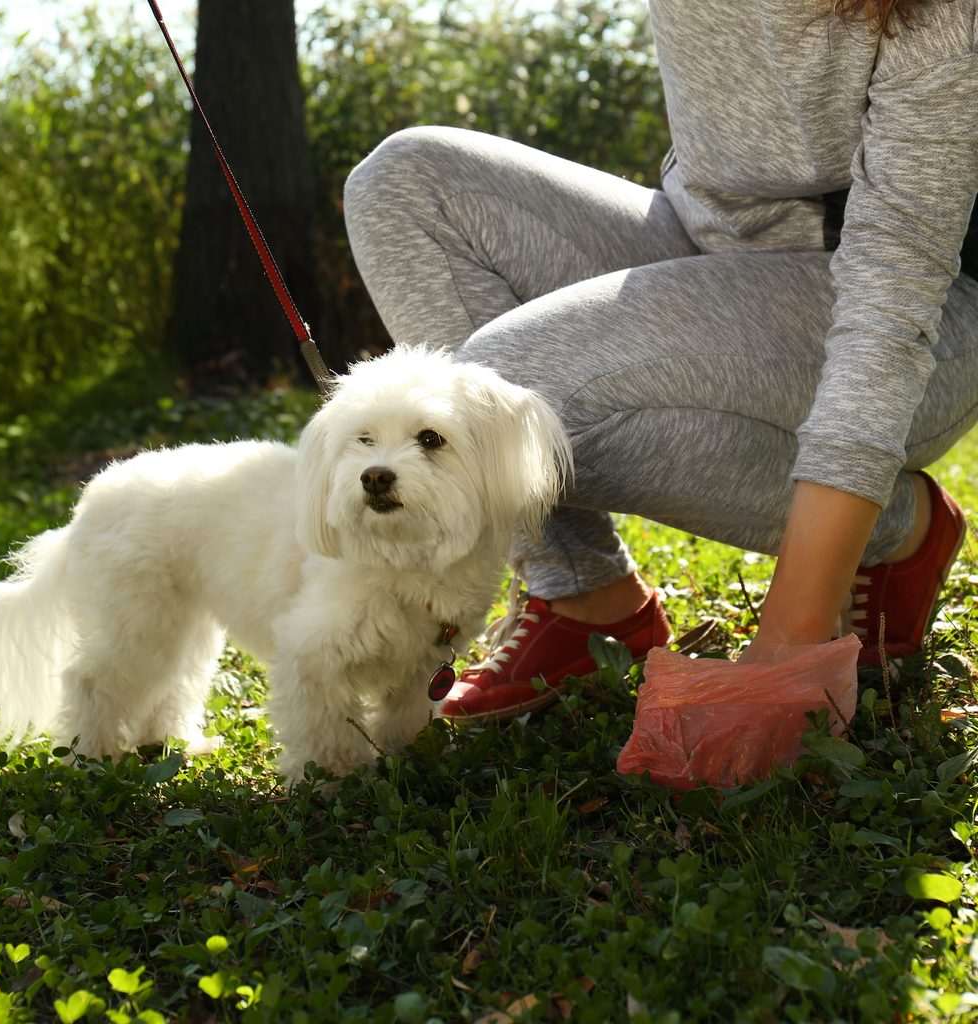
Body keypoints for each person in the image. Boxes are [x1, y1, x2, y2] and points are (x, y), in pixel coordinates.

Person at [342, 0, 978, 724]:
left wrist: (788, 644)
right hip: (699, 241)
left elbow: (893, 292)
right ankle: (584, 592)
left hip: (915, 297)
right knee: (403, 184)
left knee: (498, 397)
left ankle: (901, 528)